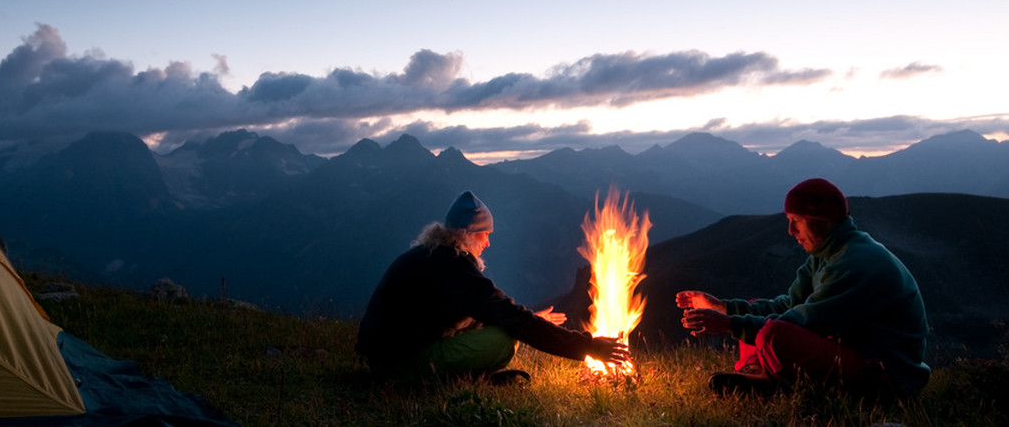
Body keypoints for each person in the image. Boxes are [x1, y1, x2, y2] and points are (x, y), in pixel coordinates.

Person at [677, 178, 930, 400]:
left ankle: (769, 380)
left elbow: (803, 322)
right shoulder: (825, 253)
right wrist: (722, 306)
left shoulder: (855, 264)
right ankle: (759, 377)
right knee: (756, 309)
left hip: (886, 377)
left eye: (796, 221)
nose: (790, 231)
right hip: (856, 353)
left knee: (772, 334)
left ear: (821, 221)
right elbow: (788, 305)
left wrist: (730, 324)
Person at [356, 190, 629, 383]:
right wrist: (589, 346)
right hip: (398, 365)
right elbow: (508, 317)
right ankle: (450, 379)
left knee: (506, 325)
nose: (487, 243)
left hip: (387, 356)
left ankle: (467, 377)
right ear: (467, 234)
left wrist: (531, 320)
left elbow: (489, 310)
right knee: (504, 339)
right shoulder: (453, 267)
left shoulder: (432, 256)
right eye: (485, 235)